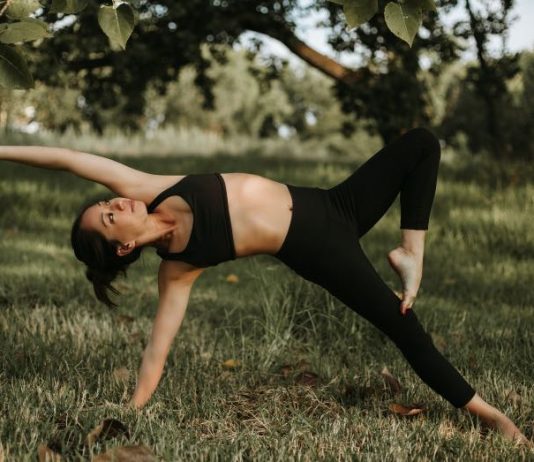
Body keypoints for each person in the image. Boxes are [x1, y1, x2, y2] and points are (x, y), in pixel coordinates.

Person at [0, 128, 529, 445]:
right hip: (321, 250)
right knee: (404, 328)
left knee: (420, 144)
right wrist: (135, 408)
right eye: (110, 218)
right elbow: (157, 350)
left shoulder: (151, 188)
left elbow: (70, 160)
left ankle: (411, 253)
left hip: (333, 203)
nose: (115, 204)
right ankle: (494, 419)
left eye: (106, 204)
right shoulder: (179, 266)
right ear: (122, 248)